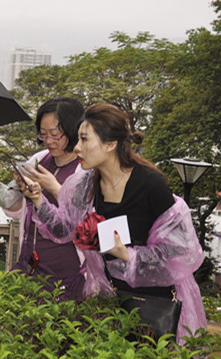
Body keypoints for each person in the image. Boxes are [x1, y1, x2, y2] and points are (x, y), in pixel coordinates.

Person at [23, 103, 206, 343]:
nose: (77, 147)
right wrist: (38, 199)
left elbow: (181, 253)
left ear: (110, 145)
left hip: (154, 305)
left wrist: (127, 255)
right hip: (110, 301)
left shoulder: (149, 184)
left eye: (85, 139)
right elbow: (66, 228)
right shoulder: (86, 185)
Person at [0, 97, 87, 301]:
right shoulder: (38, 159)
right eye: (43, 134)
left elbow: (78, 225)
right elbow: (22, 211)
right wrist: (16, 192)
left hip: (65, 272)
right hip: (29, 264)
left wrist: (54, 189)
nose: (48, 141)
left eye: (55, 134)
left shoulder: (85, 170)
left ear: (74, 130)